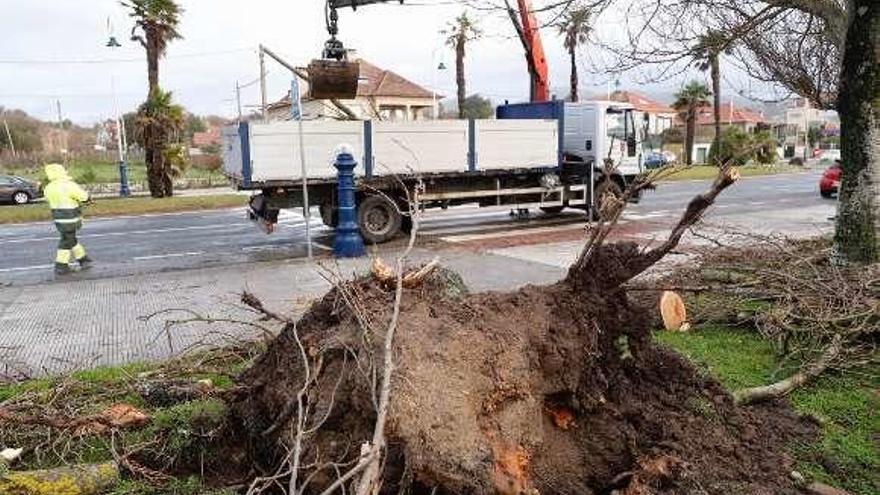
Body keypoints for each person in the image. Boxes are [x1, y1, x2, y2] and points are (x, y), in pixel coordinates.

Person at [43, 163, 92, 275]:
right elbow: (83, 197)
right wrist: (88, 198)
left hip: (58, 218)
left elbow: (48, 199)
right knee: (66, 241)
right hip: (71, 217)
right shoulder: (68, 185)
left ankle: (83, 259)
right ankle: (61, 265)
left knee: (70, 238)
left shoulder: (49, 188)